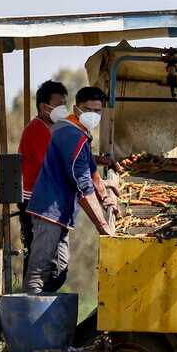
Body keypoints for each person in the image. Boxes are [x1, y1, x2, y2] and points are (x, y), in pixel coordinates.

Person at [23, 86, 117, 294]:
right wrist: (103, 226)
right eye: (88, 109)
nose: (93, 115)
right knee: (39, 272)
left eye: (98, 111)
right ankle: (30, 321)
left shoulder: (79, 132)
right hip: (49, 211)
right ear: (76, 108)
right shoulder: (70, 134)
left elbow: (91, 172)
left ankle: (45, 311)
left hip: (61, 212)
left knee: (58, 271)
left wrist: (105, 196)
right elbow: (83, 185)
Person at [17, 80, 68, 271]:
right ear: (43, 107)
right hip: (38, 204)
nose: (63, 110)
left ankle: (38, 296)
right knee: (46, 264)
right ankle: (33, 298)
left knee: (57, 266)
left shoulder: (52, 130)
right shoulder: (37, 130)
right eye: (58, 105)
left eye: (64, 104)